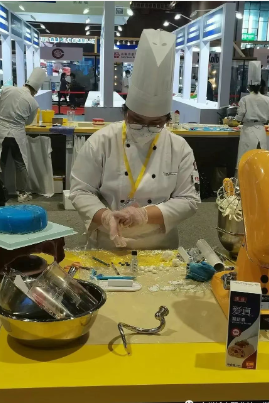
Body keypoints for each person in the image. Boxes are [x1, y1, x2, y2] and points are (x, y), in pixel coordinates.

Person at [69, 29, 200, 250]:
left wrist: (144, 215)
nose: (145, 129)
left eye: (155, 123)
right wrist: (106, 217)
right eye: (137, 120)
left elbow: (189, 199)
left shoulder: (179, 148)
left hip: (159, 245)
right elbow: (80, 190)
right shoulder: (101, 141)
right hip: (108, 243)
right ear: (125, 113)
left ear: (167, 120)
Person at [0, 67, 47, 203]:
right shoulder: (33, 102)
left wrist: (2, 114)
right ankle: (22, 193)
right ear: (36, 90)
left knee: (0, 162)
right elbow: (28, 122)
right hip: (17, 134)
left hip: (1, 132)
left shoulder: (7, 89)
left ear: (26, 83)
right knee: (20, 164)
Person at [236, 61, 269, 169]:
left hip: (248, 131)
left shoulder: (245, 99)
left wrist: (236, 119)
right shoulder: (267, 99)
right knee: (260, 163)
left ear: (249, 86)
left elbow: (239, 117)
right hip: (261, 131)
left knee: (245, 161)